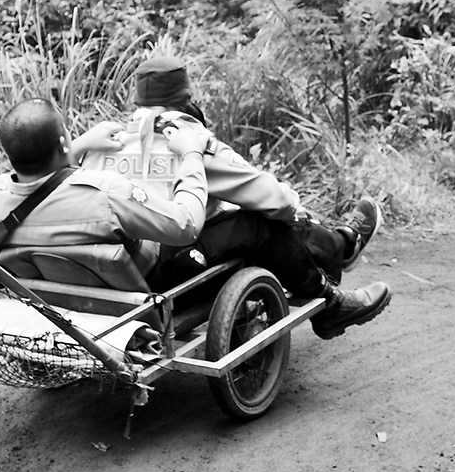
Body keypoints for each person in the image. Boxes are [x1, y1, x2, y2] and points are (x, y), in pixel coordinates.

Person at [68, 56, 391, 339]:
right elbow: (271, 198)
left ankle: (339, 246)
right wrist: (294, 207)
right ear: (186, 98)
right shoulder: (191, 142)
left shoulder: (100, 146)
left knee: (243, 212)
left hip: (112, 271)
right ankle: (334, 273)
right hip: (164, 272)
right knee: (261, 219)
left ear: (138, 102)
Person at [0, 97, 214, 274]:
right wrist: (191, 153)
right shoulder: (107, 194)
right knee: (237, 229)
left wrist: (78, 146)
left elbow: (44, 180)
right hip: (138, 286)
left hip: (48, 293)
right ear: (62, 142)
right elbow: (186, 225)